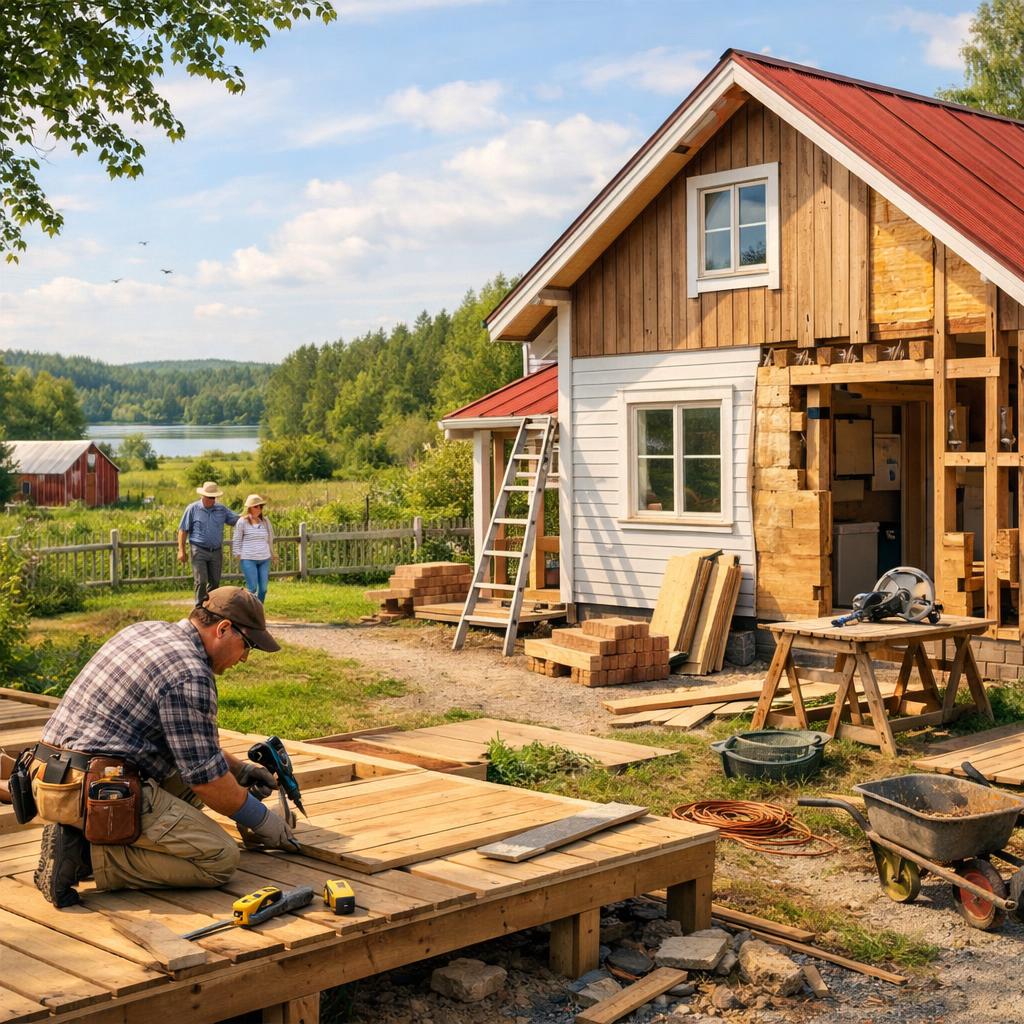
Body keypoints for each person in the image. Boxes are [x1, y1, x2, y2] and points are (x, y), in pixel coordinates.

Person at [31, 587, 298, 908]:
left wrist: (240, 771)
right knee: (219, 858)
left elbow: (192, 747)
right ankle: (84, 854)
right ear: (223, 629)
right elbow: (207, 782)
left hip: (52, 774)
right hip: (91, 790)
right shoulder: (190, 674)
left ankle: (87, 837)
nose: (244, 657)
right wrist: (263, 821)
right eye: (248, 645)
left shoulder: (146, 631)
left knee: (197, 784)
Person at [178, 481, 240, 606]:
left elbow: (236, 520)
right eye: (209, 497)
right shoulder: (192, 509)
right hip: (198, 549)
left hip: (216, 550)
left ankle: (210, 607)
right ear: (202, 496)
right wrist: (181, 550)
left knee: (215, 582)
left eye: (213, 497)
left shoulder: (221, 509)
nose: (212, 500)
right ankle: (199, 608)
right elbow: (183, 530)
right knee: (201, 581)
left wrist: (249, 515)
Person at [233, 494, 275, 603]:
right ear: (249, 508)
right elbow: (237, 539)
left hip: (264, 558)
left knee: (263, 589)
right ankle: (249, 611)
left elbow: (270, 538)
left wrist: (272, 553)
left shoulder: (265, 522)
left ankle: (258, 610)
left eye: (261, 507)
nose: (259, 509)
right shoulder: (242, 521)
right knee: (252, 588)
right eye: (256, 506)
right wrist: (237, 555)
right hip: (248, 558)